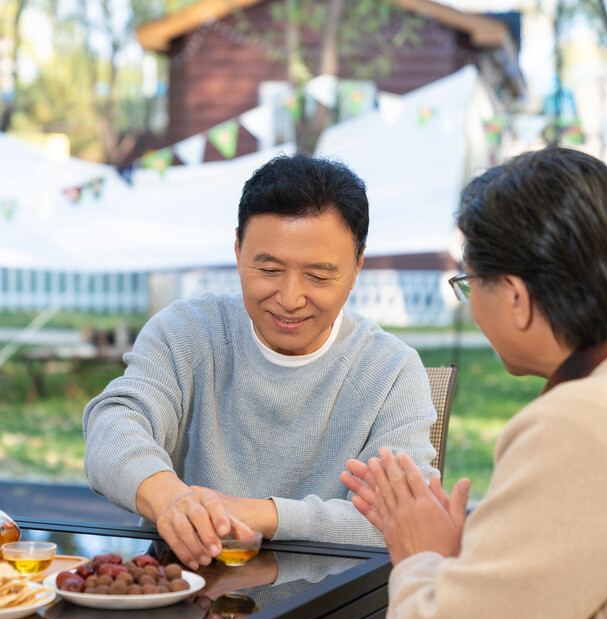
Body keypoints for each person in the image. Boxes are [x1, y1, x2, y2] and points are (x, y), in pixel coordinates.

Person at [84, 154, 439, 571]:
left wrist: (260, 514)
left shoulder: (389, 370)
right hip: (183, 605)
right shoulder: (187, 332)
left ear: (357, 265)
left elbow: (405, 519)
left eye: (319, 277)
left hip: (328, 617)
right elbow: (114, 425)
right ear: (238, 250)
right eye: (268, 268)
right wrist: (170, 497)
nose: (290, 298)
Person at [342, 146, 607, 619]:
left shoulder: (575, 423)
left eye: (468, 283)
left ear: (514, 296)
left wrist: (423, 557)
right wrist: (475, 555)